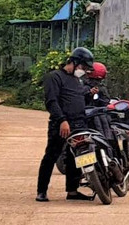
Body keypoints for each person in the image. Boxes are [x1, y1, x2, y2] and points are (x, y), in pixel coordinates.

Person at [36, 48, 95, 202]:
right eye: (82, 67)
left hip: (79, 124)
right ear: (74, 62)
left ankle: (73, 190)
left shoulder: (77, 80)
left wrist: (89, 95)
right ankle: (41, 191)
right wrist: (62, 120)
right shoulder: (54, 77)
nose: (83, 71)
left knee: (78, 157)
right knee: (51, 156)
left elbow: (78, 100)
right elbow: (52, 102)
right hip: (61, 125)